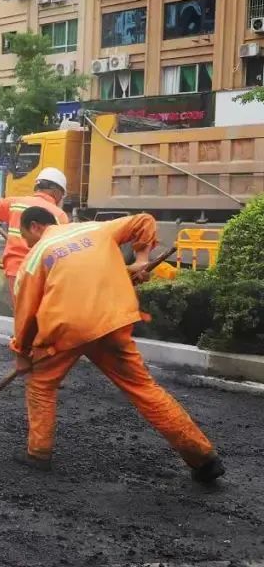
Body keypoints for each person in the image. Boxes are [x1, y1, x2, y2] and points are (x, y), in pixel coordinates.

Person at [11, 206, 224, 483]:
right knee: (144, 389)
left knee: (40, 386)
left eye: (25, 236)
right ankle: (204, 459)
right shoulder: (95, 229)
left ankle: (38, 453)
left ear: (35, 226)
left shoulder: (36, 255)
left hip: (68, 330)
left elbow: (26, 312)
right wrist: (141, 260)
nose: (27, 243)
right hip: (112, 321)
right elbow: (144, 220)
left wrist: (22, 352)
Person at [0, 167, 70, 305]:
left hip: (14, 270)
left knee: (21, 314)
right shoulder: (59, 215)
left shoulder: (15, 203)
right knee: (38, 313)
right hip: (40, 272)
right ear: (56, 191)